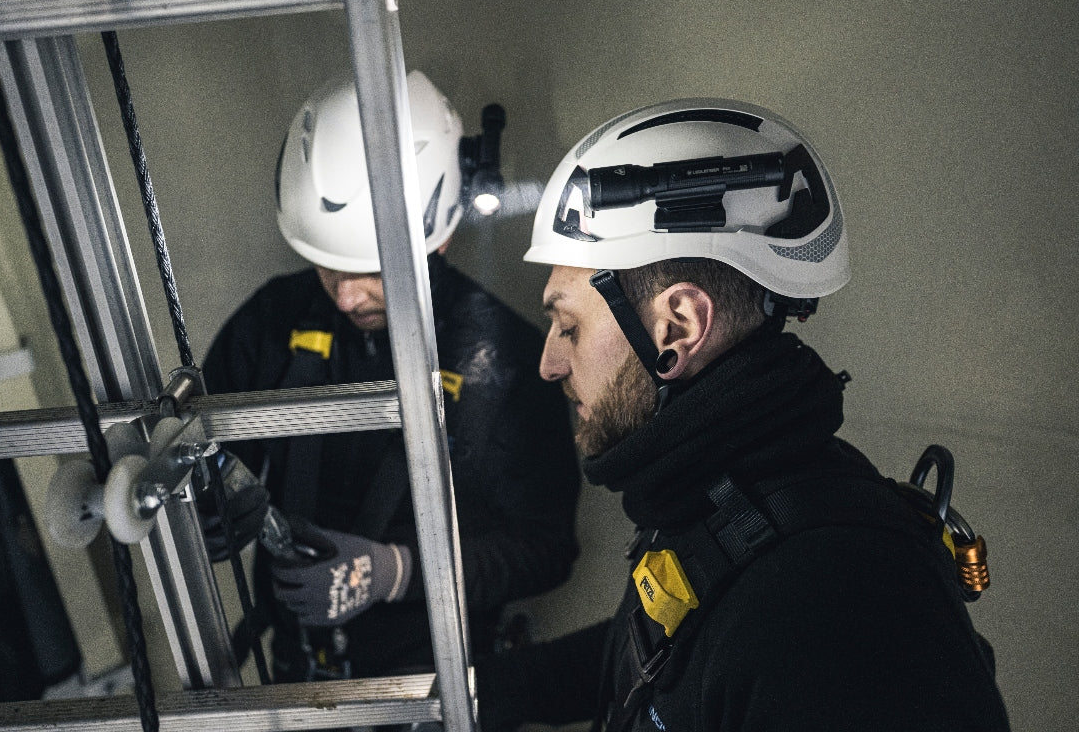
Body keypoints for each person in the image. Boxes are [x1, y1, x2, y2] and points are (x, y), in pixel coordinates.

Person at [476, 99, 1010, 731]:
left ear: (678, 326)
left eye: (568, 326)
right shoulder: (715, 497)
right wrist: (467, 694)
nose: (549, 364)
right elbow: (662, 656)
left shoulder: (838, 606)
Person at [202, 71, 580, 680]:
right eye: (328, 265)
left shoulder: (504, 361)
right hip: (298, 671)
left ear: (441, 238)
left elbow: (546, 549)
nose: (347, 296)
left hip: (435, 682)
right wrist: (210, 506)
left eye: (374, 269)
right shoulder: (275, 321)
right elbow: (203, 452)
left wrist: (396, 572)